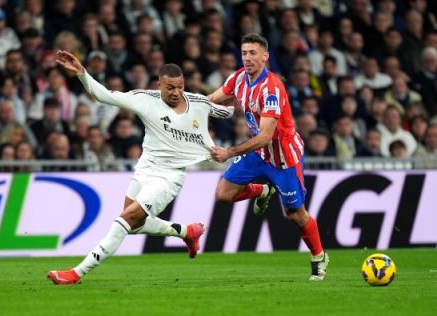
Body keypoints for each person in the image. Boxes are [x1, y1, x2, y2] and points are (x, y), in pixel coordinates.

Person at [47, 50, 234, 285]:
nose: (176, 92)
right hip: (145, 169)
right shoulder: (145, 99)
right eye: (170, 87)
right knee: (135, 226)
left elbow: (228, 111)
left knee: (126, 219)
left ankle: (77, 272)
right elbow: (104, 95)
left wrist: (249, 99)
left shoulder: (198, 103)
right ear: (159, 85)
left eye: (180, 86)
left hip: (169, 177)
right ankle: (187, 232)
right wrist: (82, 73)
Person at [207, 33, 329, 281]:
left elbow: (265, 137)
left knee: (295, 214)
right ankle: (263, 191)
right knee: (223, 195)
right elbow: (210, 100)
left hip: (284, 158)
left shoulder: (272, 89)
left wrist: (229, 152)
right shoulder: (239, 78)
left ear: (265, 56)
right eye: (244, 53)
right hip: (258, 154)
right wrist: (183, 105)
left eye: (253, 53)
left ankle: (319, 256)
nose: (248, 58)